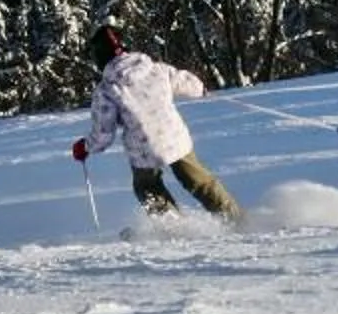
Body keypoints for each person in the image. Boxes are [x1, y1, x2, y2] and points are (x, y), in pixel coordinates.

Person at [72, 26, 243, 226]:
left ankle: (173, 227)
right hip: (175, 138)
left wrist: (85, 147)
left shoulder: (107, 90)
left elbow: (104, 134)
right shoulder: (155, 68)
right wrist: (200, 89)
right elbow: (183, 80)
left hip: (144, 149)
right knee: (199, 181)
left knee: (147, 187)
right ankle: (235, 218)